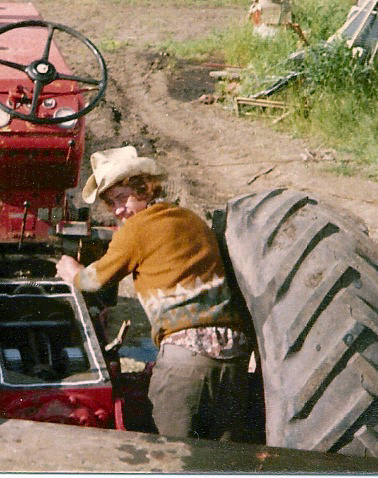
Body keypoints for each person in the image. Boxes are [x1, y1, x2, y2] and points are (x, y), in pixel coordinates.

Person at [56, 145, 253, 440]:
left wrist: (72, 272)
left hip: (186, 358)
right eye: (112, 204)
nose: (120, 210)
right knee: (224, 457)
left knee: (173, 455)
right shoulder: (191, 219)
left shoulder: (136, 229)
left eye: (123, 198)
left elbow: (95, 280)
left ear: (145, 188)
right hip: (233, 357)